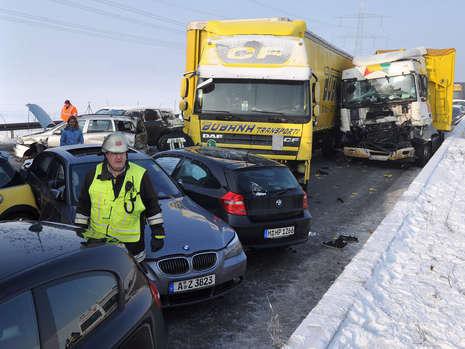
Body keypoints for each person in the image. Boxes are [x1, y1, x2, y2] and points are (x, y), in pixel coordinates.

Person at [74, 132, 165, 261]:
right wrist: (78, 233)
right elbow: (83, 207)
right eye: (114, 153)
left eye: (122, 153)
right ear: (106, 154)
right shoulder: (92, 175)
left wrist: (158, 234)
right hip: (98, 244)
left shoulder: (140, 175)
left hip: (131, 248)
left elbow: (152, 207)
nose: (119, 158)